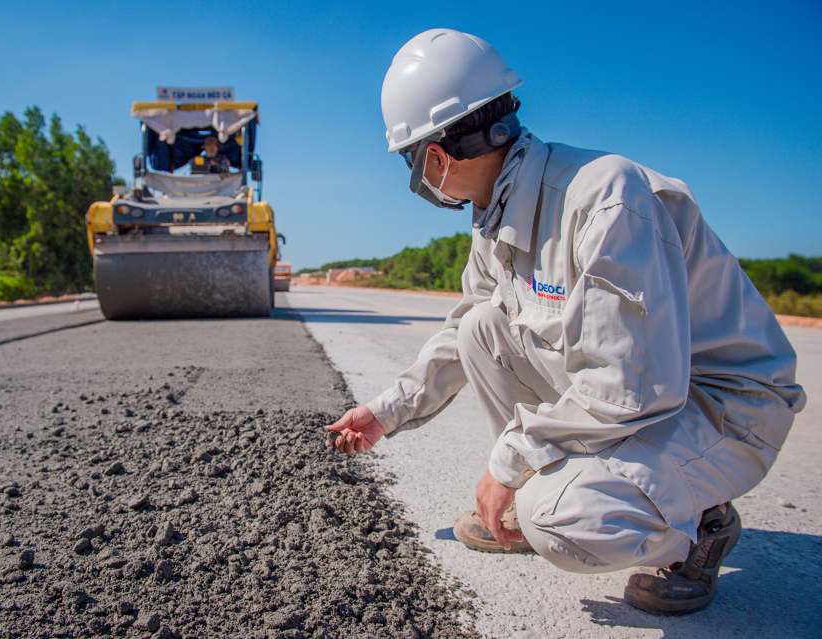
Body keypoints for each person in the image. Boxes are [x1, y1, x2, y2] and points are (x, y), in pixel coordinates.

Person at [325, 28, 806, 616]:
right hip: (652, 392)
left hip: (722, 406)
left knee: (559, 517)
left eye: (410, 159)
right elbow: (464, 336)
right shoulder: (498, 213)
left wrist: (511, 463)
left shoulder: (603, 200)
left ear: (436, 157)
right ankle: (558, 494)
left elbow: (628, 386)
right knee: (482, 327)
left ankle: (697, 525)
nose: (415, 177)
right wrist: (384, 412)